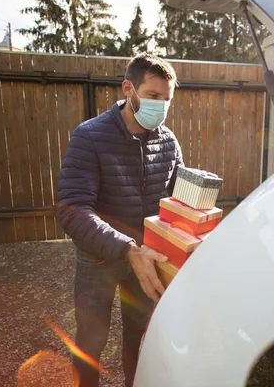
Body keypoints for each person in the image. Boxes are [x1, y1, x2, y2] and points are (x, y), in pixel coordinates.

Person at [56, 53, 183, 387]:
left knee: (139, 340)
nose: (162, 106)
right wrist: (127, 249)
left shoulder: (169, 143)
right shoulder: (89, 137)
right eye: (154, 96)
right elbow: (72, 210)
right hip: (99, 259)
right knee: (91, 342)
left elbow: (175, 207)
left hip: (145, 261)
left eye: (167, 100)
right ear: (129, 89)